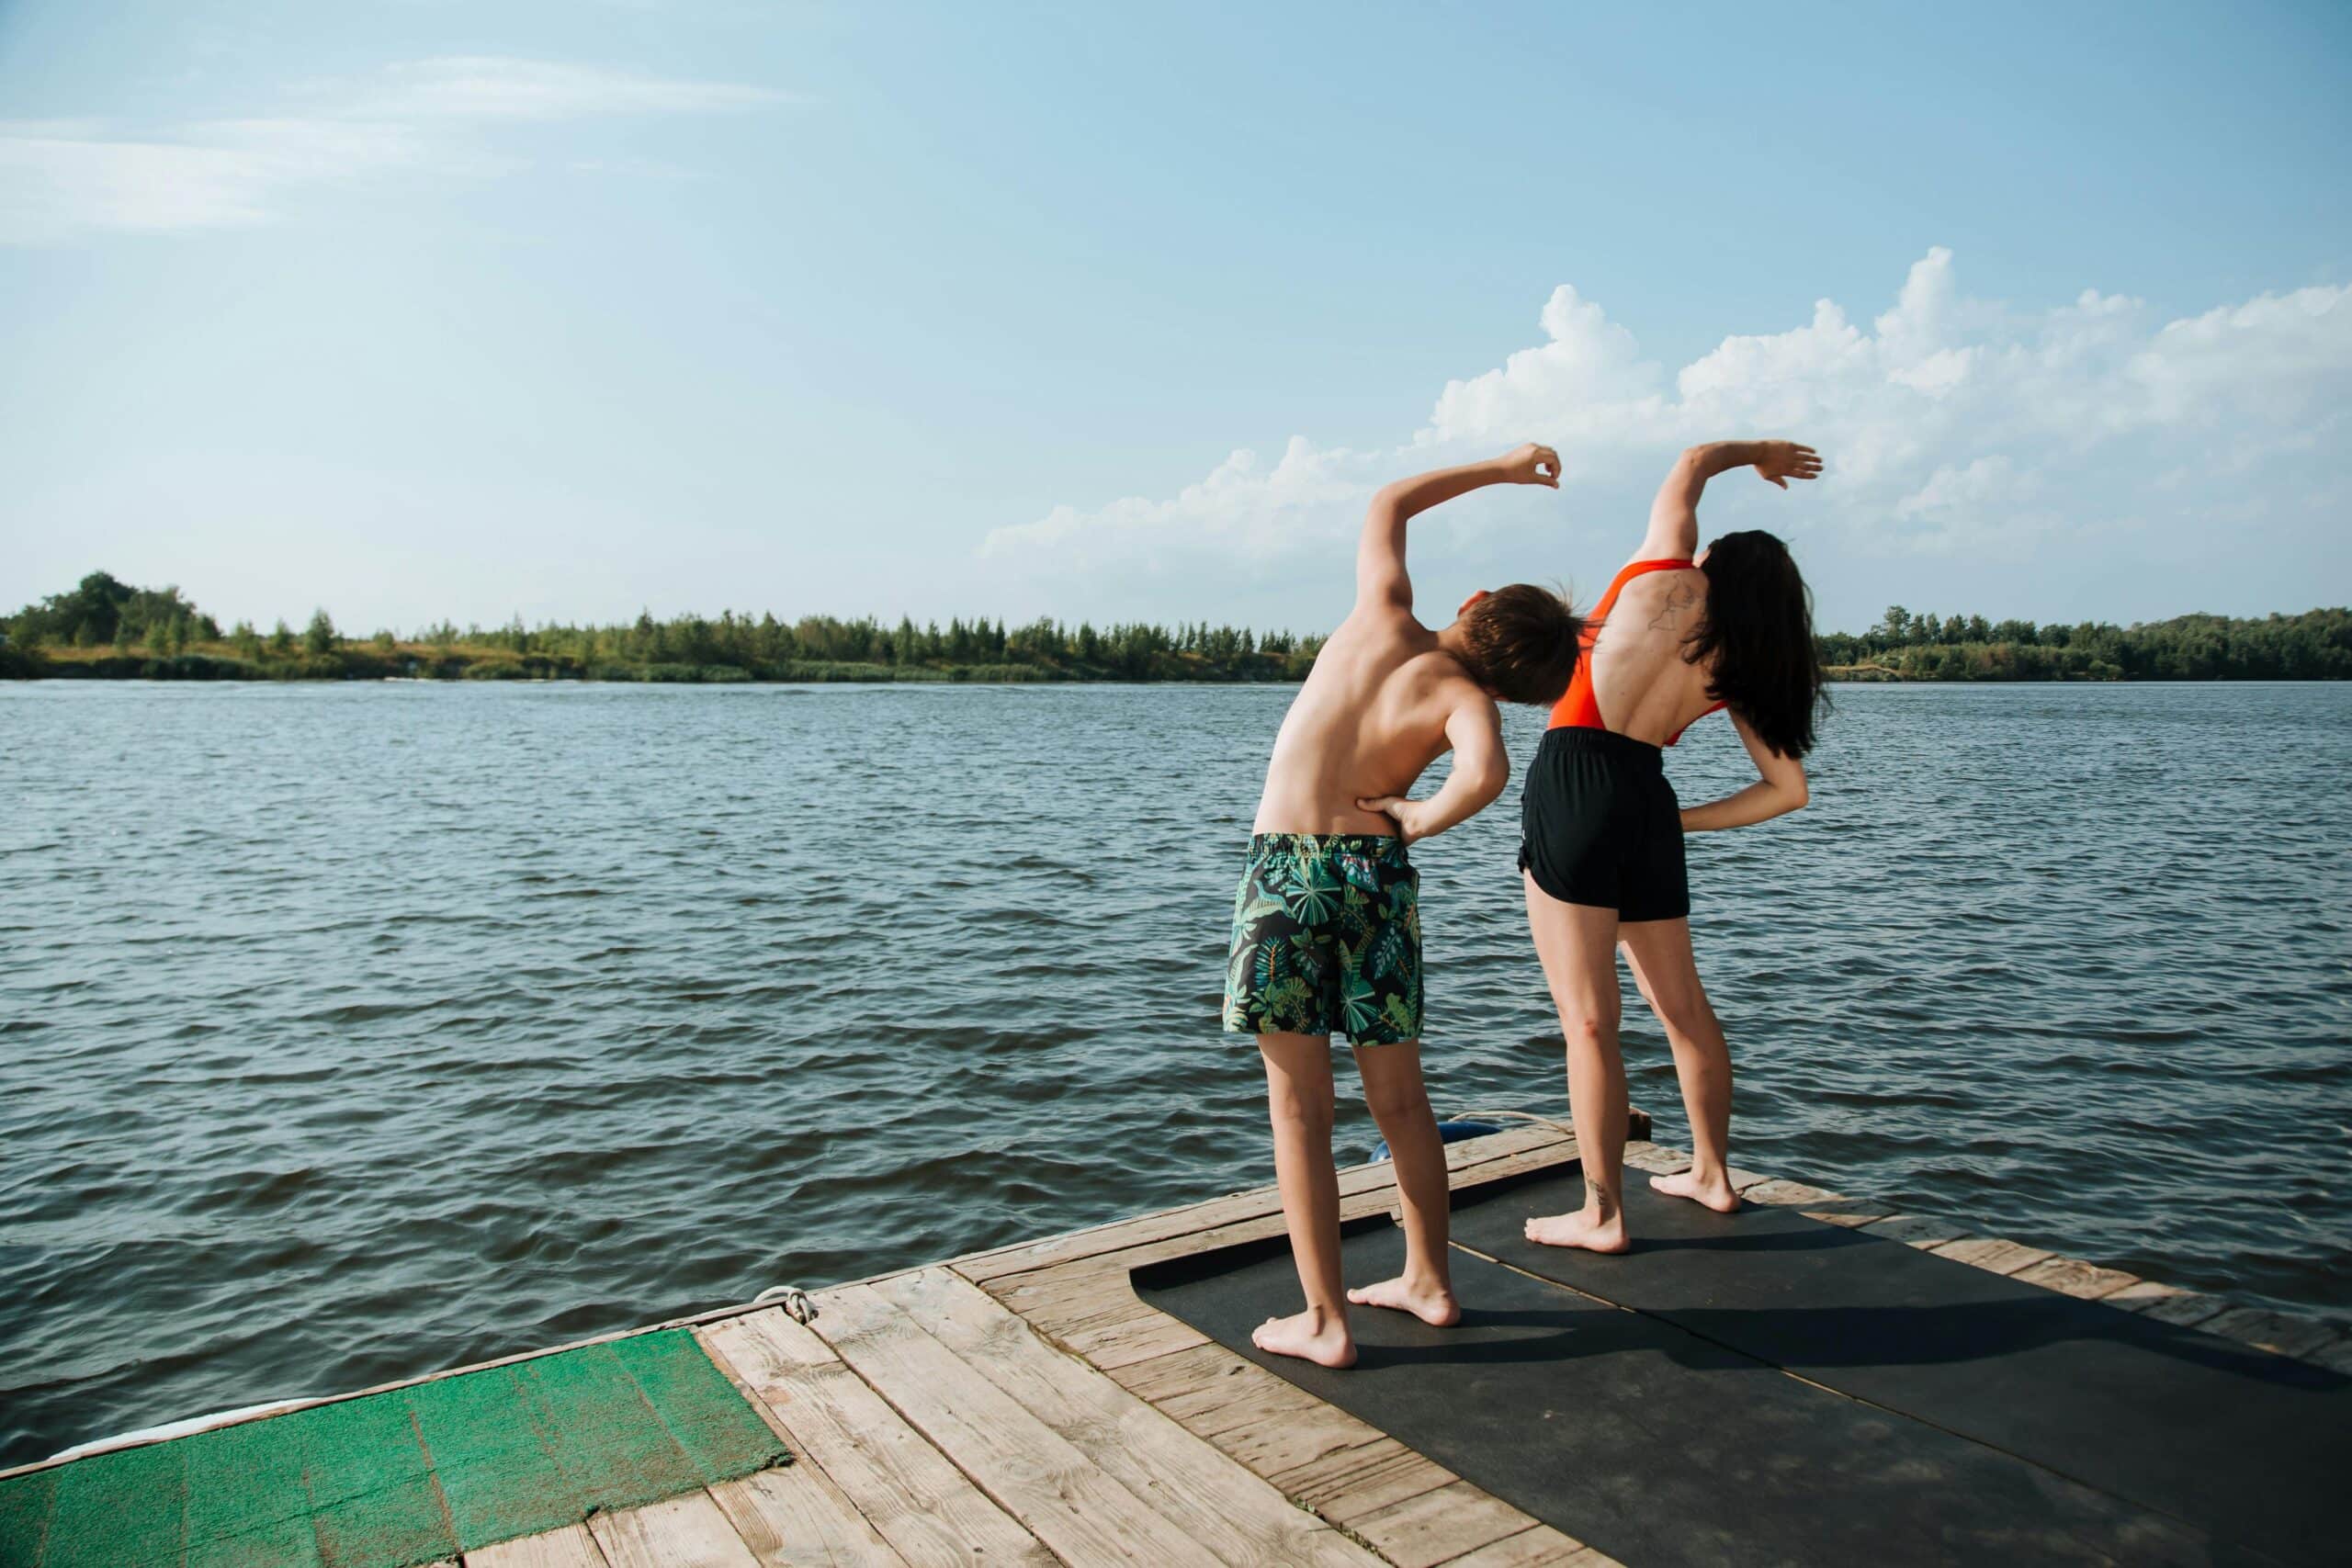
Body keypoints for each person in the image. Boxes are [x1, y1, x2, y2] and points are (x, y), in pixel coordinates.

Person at [1223, 443, 1585, 1367]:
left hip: (1286, 877)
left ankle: (1324, 1320)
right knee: (1400, 1100)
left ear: (1471, 607)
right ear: (1513, 682)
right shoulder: (1467, 697)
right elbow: (1488, 772)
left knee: (1300, 1107)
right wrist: (1418, 819)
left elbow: (1390, 500)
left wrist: (1505, 468)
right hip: (1374, 879)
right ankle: (1427, 1279)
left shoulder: (1379, 616)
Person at [1517, 439, 1827, 1254]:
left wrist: (1759, 455)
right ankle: (1714, 1175)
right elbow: (1786, 791)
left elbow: (1690, 463)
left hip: (1576, 775)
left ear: (1715, 566)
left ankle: (1602, 1215)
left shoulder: (1663, 573)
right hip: (1646, 795)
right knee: (1684, 1010)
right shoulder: (1739, 665)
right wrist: (1674, 821)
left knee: (1589, 1022)